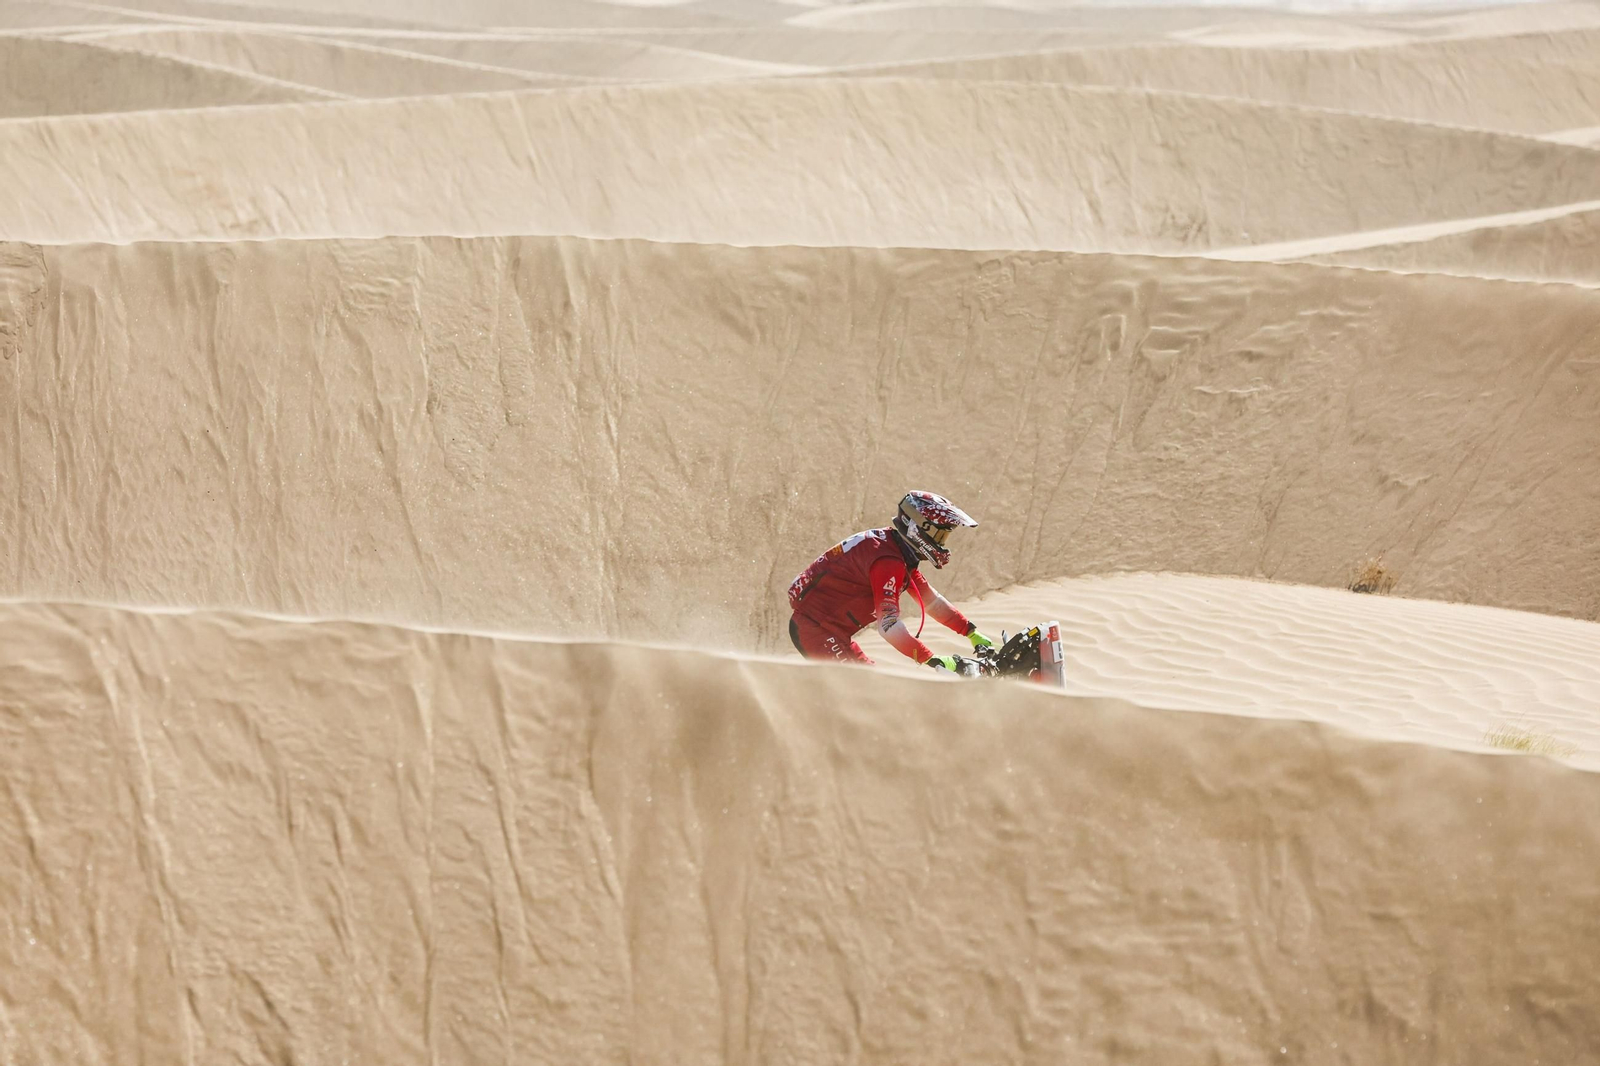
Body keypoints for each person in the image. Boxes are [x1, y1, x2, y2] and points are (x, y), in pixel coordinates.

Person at [786, 491, 995, 672]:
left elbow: (932, 602)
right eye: (939, 535)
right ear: (918, 527)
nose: (942, 544)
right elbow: (888, 626)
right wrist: (931, 659)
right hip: (816, 631)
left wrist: (971, 631)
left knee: (879, 688)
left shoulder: (895, 551)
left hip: (829, 631)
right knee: (866, 693)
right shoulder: (888, 562)